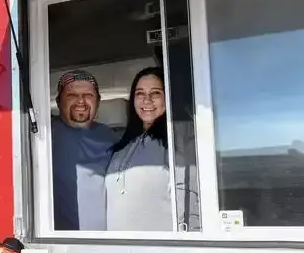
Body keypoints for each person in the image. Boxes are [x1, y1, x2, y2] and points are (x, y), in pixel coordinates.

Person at [105, 67, 199, 231]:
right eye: (140, 93)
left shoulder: (180, 137)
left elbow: (192, 200)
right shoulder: (123, 144)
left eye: (155, 93)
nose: (146, 100)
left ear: (168, 97)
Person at [52, 70, 117, 230]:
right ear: (58, 102)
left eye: (88, 95)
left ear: (98, 101)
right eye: (71, 95)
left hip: (106, 243)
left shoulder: (110, 136)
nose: (80, 101)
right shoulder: (43, 135)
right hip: (60, 244)